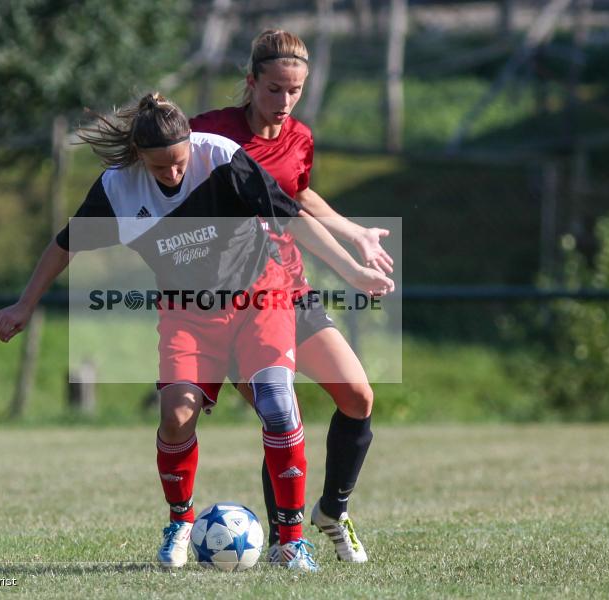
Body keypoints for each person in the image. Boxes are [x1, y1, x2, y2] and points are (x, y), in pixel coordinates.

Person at [0, 92, 393, 571]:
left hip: (259, 298)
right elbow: (64, 246)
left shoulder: (219, 156)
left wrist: (352, 272)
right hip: (188, 313)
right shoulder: (118, 188)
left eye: (180, 163)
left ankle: (290, 541)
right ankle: (180, 520)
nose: (174, 174)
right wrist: (24, 304)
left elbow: (292, 216)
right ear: (139, 157)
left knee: (279, 403)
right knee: (176, 414)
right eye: (161, 168)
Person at [190, 29, 394, 564]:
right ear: (251, 82)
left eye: (295, 91)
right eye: (274, 89)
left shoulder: (299, 137)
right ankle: (287, 542)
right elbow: (160, 168)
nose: (284, 102)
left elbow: (296, 194)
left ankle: (333, 510)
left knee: (358, 396)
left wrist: (355, 232)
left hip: (289, 289)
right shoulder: (208, 134)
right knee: (283, 412)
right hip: (227, 305)